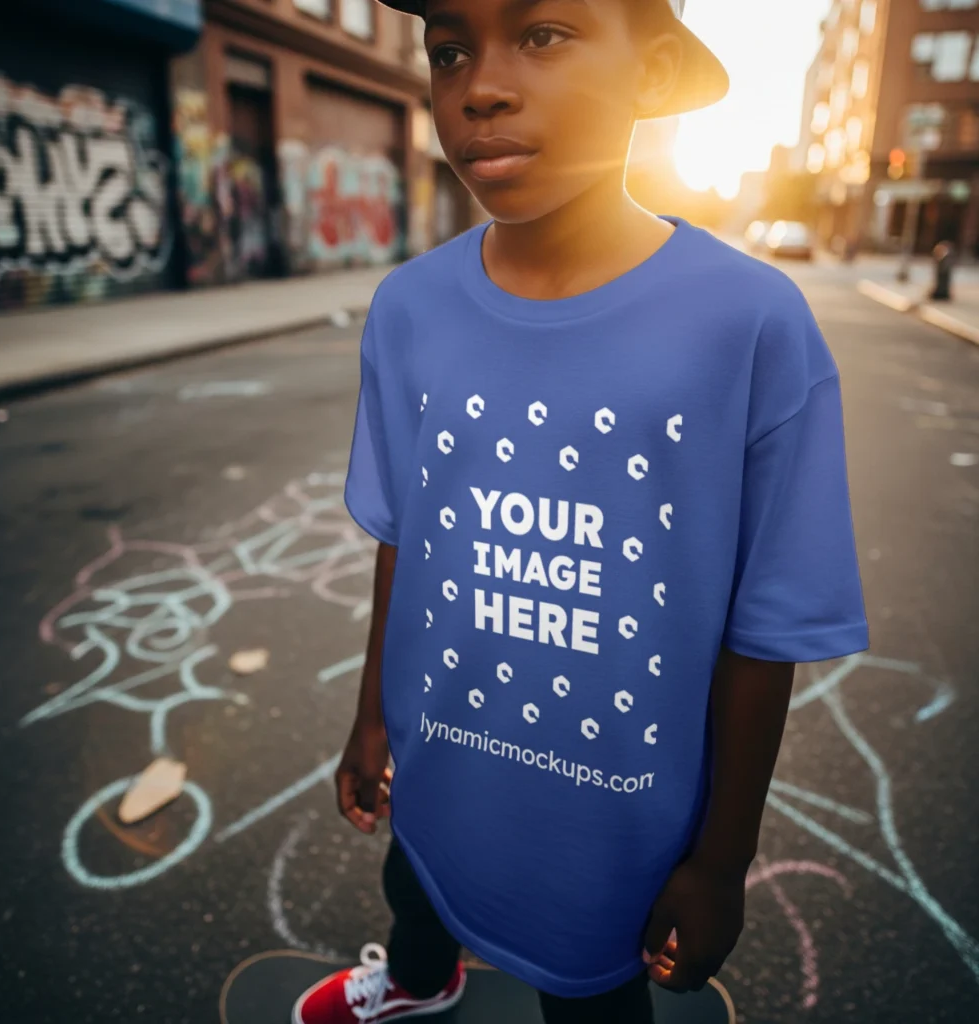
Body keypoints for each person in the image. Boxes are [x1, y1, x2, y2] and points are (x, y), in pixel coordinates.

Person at [293, 1, 870, 1022]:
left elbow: (766, 623)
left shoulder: (747, 322)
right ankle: (420, 983)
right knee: (415, 883)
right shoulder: (408, 308)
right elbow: (404, 537)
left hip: (612, 824)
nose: (481, 85)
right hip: (439, 758)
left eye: (543, 34)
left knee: (592, 997)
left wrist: (722, 857)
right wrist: (373, 712)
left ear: (649, 73)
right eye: (449, 49)